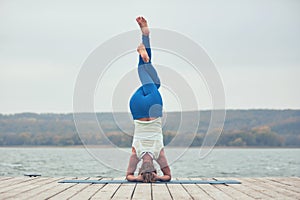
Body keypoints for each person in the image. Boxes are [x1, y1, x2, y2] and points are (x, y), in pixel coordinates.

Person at [126, 16, 171, 183]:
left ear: (154, 167)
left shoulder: (160, 155)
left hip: (154, 107)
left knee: (148, 73)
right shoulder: (134, 154)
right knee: (151, 77)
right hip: (136, 107)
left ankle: (146, 38)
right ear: (140, 168)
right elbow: (128, 176)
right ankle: (145, 37)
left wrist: (158, 176)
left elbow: (168, 177)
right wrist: (137, 178)